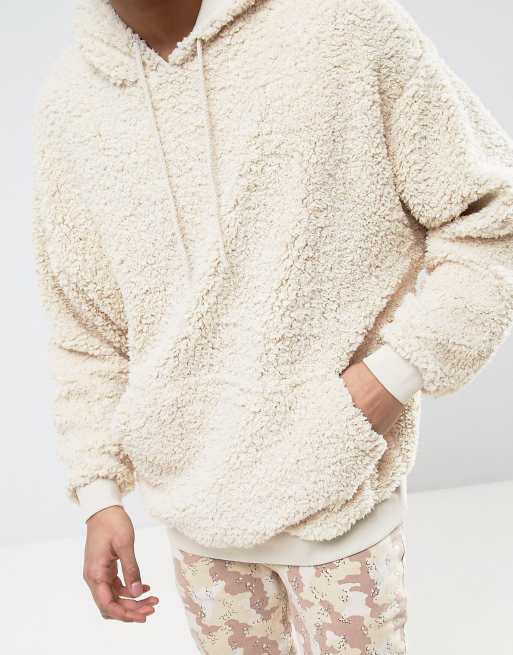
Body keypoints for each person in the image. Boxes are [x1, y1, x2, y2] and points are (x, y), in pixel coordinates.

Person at [31, 0, 513, 652]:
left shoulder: (341, 24)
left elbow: (491, 219)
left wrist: (384, 382)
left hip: (338, 499)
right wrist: (99, 493)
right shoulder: (71, 105)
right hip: (198, 521)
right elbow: (85, 330)